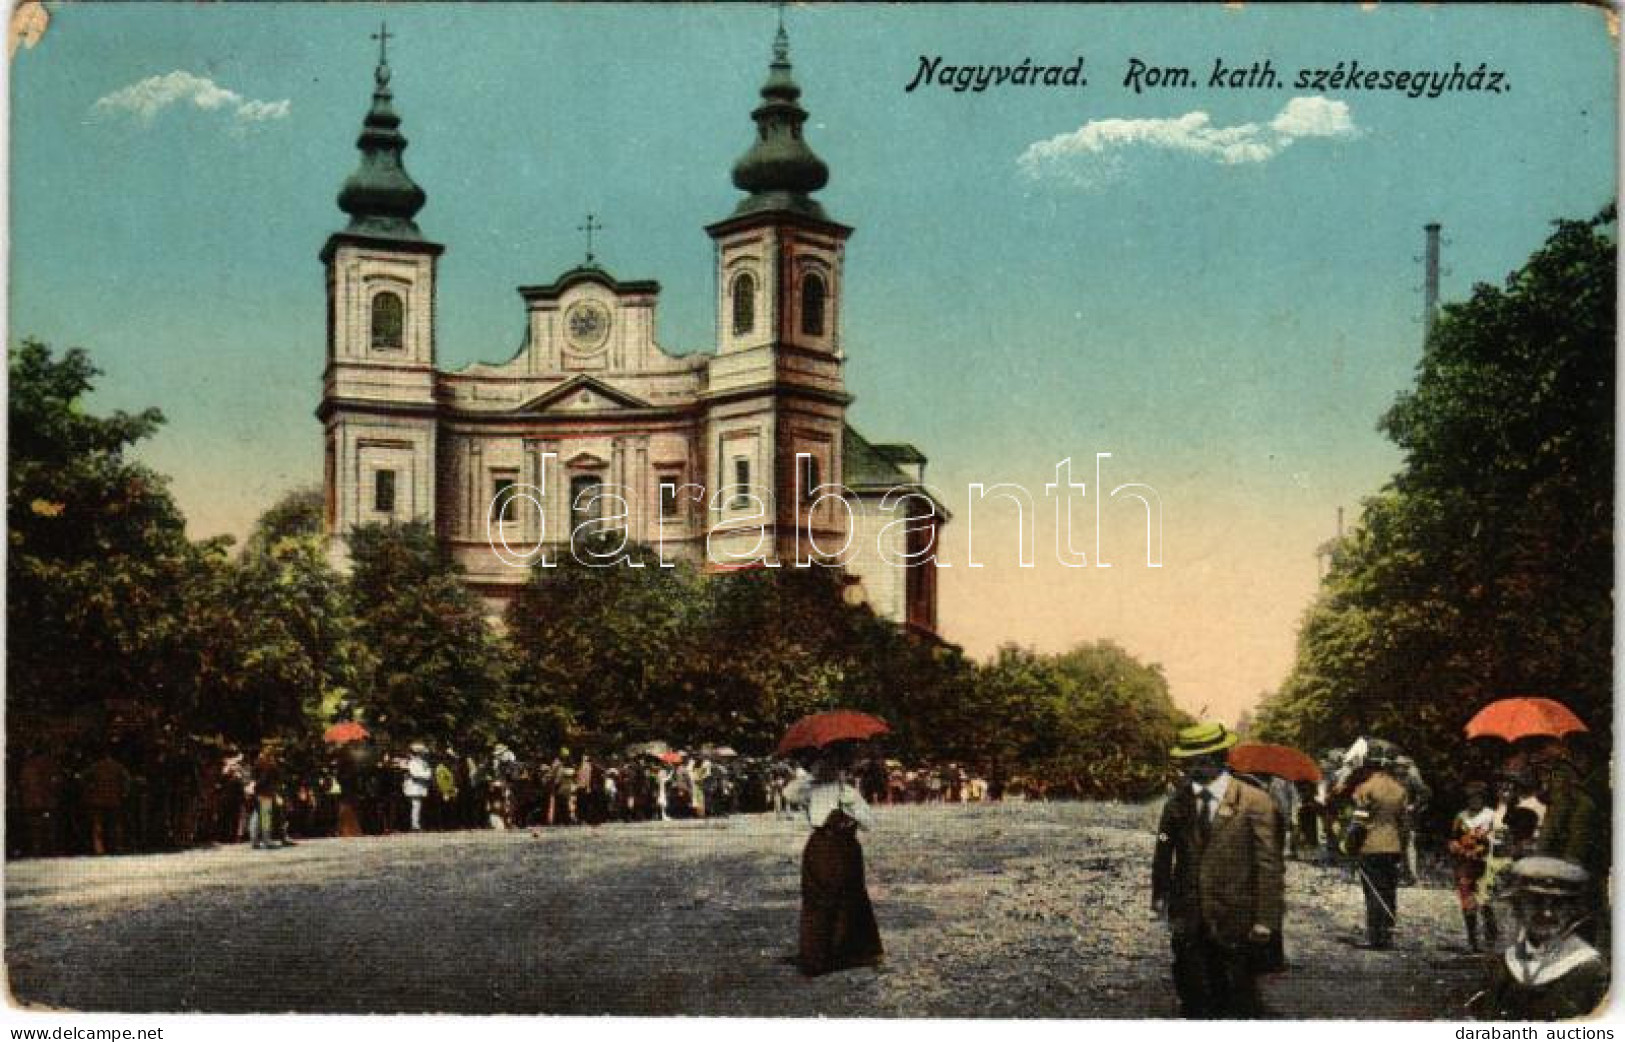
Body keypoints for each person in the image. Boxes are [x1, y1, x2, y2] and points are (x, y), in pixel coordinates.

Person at [1151, 722, 1283, 1019]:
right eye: (1188, 763)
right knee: (1192, 992)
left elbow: (1268, 865)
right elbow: (1163, 851)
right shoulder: (1177, 801)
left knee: (1238, 995)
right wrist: (1159, 896)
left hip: (1237, 916)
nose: (1193, 770)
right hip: (1189, 913)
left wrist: (1265, 919)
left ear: (1219, 759)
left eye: (1200, 761)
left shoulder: (1255, 801)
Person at [1474, 857, 1608, 1020]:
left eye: (1558, 904)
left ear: (1573, 911)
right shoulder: (1503, 965)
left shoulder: (1589, 971)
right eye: (1536, 902)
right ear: (1517, 906)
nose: (1547, 913)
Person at [797, 751, 883, 977]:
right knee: (834, 897)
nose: (823, 768)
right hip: (832, 848)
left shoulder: (833, 792)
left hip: (829, 848)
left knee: (832, 898)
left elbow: (869, 823)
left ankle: (826, 955)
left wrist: (848, 803)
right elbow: (869, 823)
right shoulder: (825, 791)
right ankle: (831, 954)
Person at [1347, 749, 1408, 949]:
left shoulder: (1365, 788)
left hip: (1370, 846)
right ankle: (1388, 934)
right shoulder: (1399, 790)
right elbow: (1404, 824)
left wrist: (1350, 845)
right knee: (1389, 890)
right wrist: (1403, 849)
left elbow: (1359, 823)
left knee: (1372, 891)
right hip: (1393, 846)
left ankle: (1375, 936)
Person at [1449, 782, 1496, 951]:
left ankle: (1491, 935)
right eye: (1471, 798)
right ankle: (1472, 939)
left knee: (1485, 899)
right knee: (1467, 899)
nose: (1474, 801)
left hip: (1485, 862)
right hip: (1465, 862)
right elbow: (1453, 838)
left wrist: (1482, 845)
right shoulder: (1461, 817)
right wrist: (1457, 847)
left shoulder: (1491, 815)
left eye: (1477, 798)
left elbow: (1496, 838)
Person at [403, 744, 432, 832]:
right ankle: (415, 825)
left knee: (418, 806)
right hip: (414, 787)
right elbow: (414, 774)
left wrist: (426, 776)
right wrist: (425, 776)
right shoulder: (412, 762)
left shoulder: (424, 763)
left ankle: (418, 824)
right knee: (416, 806)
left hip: (421, 786)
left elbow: (429, 773)